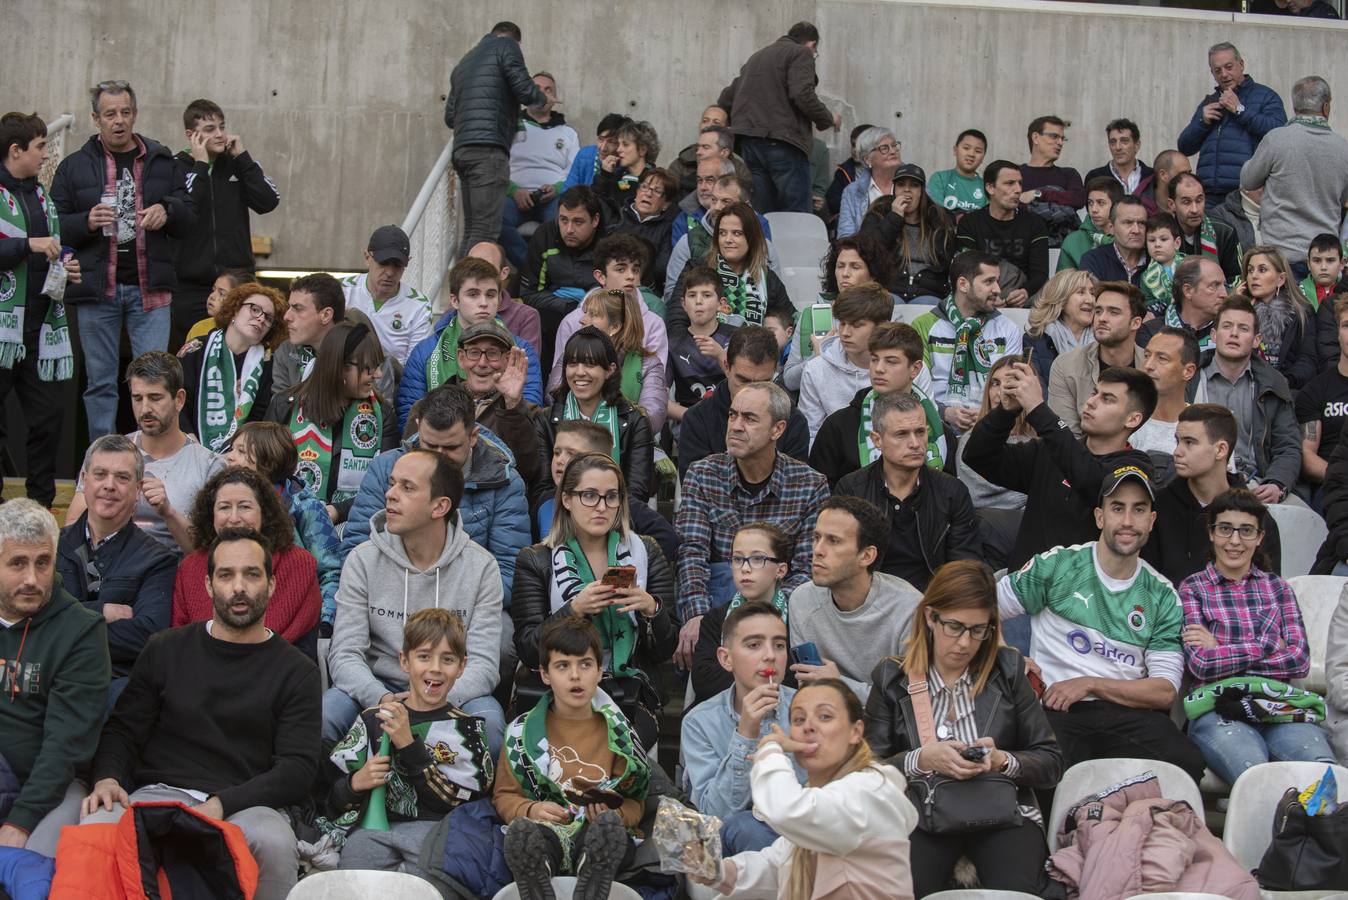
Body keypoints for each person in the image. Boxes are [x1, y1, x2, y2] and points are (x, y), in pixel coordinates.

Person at [80, 527, 320, 900]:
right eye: (226, 575)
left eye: (251, 574)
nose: (238, 586)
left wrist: (222, 804)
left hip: (247, 803)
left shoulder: (297, 670)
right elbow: (123, 730)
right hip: (159, 794)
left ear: (272, 585)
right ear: (208, 585)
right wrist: (108, 778)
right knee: (100, 821)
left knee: (272, 840)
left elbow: (297, 769)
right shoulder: (166, 649)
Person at [866, 560, 1063, 898]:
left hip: (1002, 810)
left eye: (977, 629)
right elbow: (867, 771)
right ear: (930, 617)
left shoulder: (1008, 667)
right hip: (921, 810)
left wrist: (1002, 761)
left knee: (1020, 892)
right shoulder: (893, 677)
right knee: (901, 890)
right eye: (954, 626)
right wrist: (922, 760)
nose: (964, 642)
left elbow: (1050, 762)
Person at [996, 467, 1207, 782]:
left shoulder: (1162, 594)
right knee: (1040, 764)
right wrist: (1007, 657)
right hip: (1056, 709)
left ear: (1151, 521)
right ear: (1099, 517)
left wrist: (1091, 684)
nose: (1127, 521)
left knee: (1185, 762)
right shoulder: (1058, 565)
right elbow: (980, 610)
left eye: (1138, 510)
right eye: (1117, 508)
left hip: (1127, 712)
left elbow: (1164, 691)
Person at [326, 448, 506, 755]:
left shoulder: (481, 567)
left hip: (448, 687)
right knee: (327, 714)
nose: (390, 494)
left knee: (488, 723)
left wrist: (431, 704)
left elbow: (484, 663)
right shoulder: (363, 560)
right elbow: (345, 653)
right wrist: (382, 698)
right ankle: (333, 800)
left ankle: (467, 804)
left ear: (440, 506)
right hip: (379, 684)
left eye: (407, 487)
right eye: (392, 483)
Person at [52, 80, 194, 439]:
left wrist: (168, 210)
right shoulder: (73, 166)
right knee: (100, 382)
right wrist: (84, 221)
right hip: (98, 290)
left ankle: (152, 458)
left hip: (151, 291)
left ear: (135, 114)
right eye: (110, 114)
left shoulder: (162, 158)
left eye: (125, 112)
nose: (119, 121)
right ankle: (102, 461)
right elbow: (54, 223)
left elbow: (189, 215)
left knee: (154, 383)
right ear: (95, 118)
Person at [510, 451, 676, 749]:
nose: (601, 506)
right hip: (557, 692)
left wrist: (651, 609)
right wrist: (574, 610)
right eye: (589, 495)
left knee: (614, 744)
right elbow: (527, 648)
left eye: (611, 496)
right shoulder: (536, 559)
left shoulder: (646, 552)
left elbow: (666, 648)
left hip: (629, 691)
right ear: (567, 499)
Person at [693, 679, 918, 900]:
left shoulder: (872, 790)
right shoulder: (819, 798)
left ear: (856, 732)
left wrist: (770, 749)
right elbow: (778, 864)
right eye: (799, 719)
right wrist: (717, 870)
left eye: (825, 716)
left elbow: (787, 809)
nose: (809, 726)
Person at [1181, 489, 1334, 785]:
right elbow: (1200, 664)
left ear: (1260, 537)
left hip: (1279, 706)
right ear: (1211, 533)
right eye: (1225, 529)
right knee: (1256, 777)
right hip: (1218, 709)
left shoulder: (1278, 588)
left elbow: (1299, 660)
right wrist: (1266, 644)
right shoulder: (1193, 588)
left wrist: (1221, 648)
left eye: (1246, 531)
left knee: (1323, 773)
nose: (1235, 541)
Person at [494, 615, 652, 900]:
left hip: (597, 832)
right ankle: (538, 875)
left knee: (608, 835)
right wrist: (530, 809)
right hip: (548, 827)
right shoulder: (520, 732)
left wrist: (614, 814)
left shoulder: (619, 733)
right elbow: (504, 796)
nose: (575, 675)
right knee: (528, 837)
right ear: (545, 674)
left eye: (585, 664)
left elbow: (635, 801)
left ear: (600, 671)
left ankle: (591, 873)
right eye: (563, 666)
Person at [330, 608, 494, 879]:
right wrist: (355, 783)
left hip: (436, 832)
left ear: (462, 666)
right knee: (355, 869)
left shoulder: (468, 731)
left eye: (448, 659)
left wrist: (408, 745)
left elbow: (462, 803)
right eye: (424, 657)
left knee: (434, 879)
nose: (435, 668)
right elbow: (333, 799)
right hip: (373, 832)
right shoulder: (372, 719)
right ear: (404, 661)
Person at [677, 382, 829, 666]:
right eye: (732, 415)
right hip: (716, 608)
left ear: (777, 430)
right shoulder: (703, 474)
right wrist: (697, 615)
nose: (735, 426)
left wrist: (759, 619)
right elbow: (691, 552)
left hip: (782, 613)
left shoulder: (810, 484)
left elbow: (807, 569)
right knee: (722, 573)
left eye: (749, 418)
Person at [343, 382, 530, 610]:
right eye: (430, 445)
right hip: (389, 600)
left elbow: (508, 574)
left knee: (503, 641)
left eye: (451, 448)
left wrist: (439, 603)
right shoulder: (385, 469)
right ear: (419, 428)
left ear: (473, 436)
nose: (440, 457)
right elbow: (356, 548)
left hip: (468, 606)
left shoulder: (505, 481)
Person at [966, 361, 1157, 570]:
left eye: (1107, 399)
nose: (1091, 402)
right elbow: (978, 456)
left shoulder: (1135, 467)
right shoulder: (1049, 451)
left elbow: (1092, 481)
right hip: (1027, 591)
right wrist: (1005, 412)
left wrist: (1038, 409)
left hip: (1083, 596)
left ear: (1132, 419)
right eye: (1094, 393)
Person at [0, 500, 109, 857]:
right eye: (17, 563)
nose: (32, 579)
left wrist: (20, 822)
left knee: (34, 863)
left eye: (42, 563)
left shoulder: (80, 630)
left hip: (50, 787)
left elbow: (66, 743)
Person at [64, 351, 225, 553]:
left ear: (179, 399)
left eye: (155, 397)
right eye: (137, 398)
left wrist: (168, 513)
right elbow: (71, 526)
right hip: (107, 573)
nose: (145, 408)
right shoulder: (106, 453)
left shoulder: (209, 465)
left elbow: (211, 555)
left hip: (174, 577)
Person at [0, 112, 79, 510]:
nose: (46, 154)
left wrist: (67, 263)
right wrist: (28, 245)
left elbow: (52, 247)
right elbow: (25, 246)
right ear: (16, 151)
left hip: (40, 326)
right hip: (1, 331)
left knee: (48, 418)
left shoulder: (41, 195)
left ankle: (41, 504)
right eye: (41, 146)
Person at [682, 599, 802, 854]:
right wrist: (746, 733)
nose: (770, 654)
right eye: (754, 644)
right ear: (726, 659)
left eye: (779, 645)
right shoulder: (699, 722)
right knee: (746, 827)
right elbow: (716, 817)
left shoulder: (808, 707)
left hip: (806, 833)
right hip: (740, 850)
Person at [56, 435, 175, 686]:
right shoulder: (50, 547)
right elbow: (28, 616)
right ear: (84, 481)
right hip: (49, 677)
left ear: (138, 489)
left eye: (122, 477)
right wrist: (102, 611)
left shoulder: (158, 560)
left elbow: (147, 636)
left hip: (115, 685)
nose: (109, 485)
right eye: (100, 474)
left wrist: (58, 629)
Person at [835, 392, 979, 589]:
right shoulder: (852, 489)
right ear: (877, 440)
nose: (915, 443)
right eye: (901, 434)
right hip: (869, 601)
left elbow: (964, 567)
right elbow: (842, 561)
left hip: (933, 602)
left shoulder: (952, 492)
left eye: (920, 432)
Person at [172, 466, 319, 655]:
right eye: (224, 507)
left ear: (264, 512)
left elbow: (301, 653)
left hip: (275, 676)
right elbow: (179, 643)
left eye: (244, 506)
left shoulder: (300, 565)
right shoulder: (190, 568)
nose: (234, 518)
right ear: (212, 515)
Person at [787, 496, 920, 703]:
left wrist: (840, 684)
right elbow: (808, 688)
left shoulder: (908, 609)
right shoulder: (802, 600)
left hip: (889, 729)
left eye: (833, 541)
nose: (818, 550)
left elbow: (911, 702)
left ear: (866, 556)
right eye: (816, 537)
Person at [170, 98, 279, 349]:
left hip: (238, 283)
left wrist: (243, 158)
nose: (220, 134)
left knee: (240, 354)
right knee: (190, 356)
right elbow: (181, 210)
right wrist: (199, 165)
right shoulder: (175, 167)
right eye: (210, 129)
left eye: (222, 126)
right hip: (189, 287)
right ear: (191, 134)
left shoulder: (237, 164)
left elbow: (268, 201)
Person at [266, 322, 400, 522]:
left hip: (353, 523)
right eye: (368, 368)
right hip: (285, 519)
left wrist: (338, 511)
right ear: (340, 367)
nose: (378, 375)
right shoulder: (284, 407)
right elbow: (264, 472)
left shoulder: (382, 415)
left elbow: (383, 484)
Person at [398, 256, 544, 429]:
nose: (483, 303)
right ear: (454, 300)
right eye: (473, 294)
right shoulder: (425, 352)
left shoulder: (521, 351)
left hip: (503, 448)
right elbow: (409, 419)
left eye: (490, 295)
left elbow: (530, 419)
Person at [222, 421, 343, 628]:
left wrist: (324, 623)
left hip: (298, 617)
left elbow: (331, 572)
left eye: (241, 451)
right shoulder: (223, 504)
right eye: (232, 449)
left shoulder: (305, 507)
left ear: (268, 461)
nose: (229, 456)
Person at [1145, 404, 1281, 585]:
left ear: (1221, 449)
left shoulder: (1256, 518)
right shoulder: (1158, 507)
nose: (1177, 452)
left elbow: (1269, 594)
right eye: (1178, 442)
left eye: (1189, 442)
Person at [444, 21, 548, 256]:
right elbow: (524, 89)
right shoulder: (507, 47)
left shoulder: (464, 63)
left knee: (472, 230)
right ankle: (470, 290)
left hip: (463, 151)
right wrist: (542, 99)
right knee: (485, 233)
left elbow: (451, 117)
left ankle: (461, 289)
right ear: (516, 40)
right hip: (488, 150)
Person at [716, 21, 840, 214]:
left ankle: (765, 245)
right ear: (812, 44)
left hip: (750, 145)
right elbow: (802, 94)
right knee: (797, 213)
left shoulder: (757, 58)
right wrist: (828, 118)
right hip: (783, 143)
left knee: (763, 213)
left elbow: (725, 99)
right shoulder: (801, 53)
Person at [810, 322, 946, 489]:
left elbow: (949, 492)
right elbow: (819, 492)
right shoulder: (838, 426)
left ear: (915, 369)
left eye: (891, 361)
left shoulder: (938, 430)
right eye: (874, 360)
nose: (879, 369)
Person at [1194, 296, 1301, 502]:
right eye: (1227, 326)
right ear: (1214, 335)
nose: (1234, 333)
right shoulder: (1190, 379)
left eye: (1243, 329)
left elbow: (1287, 446)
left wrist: (1276, 483)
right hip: (1199, 482)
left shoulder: (1274, 383)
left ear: (1256, 340)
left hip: (1255, 484)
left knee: (1306, 521)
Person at [1239, 76, 1348, 271]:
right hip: (1323, 259)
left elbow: (1248, 180)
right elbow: (1344, 199)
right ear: (1326, 107)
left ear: (1295, 106)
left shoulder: (1276, 139)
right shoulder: (1343, 148)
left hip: (1279, 257)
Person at [676, 325, 811, 479]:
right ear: (726, 367)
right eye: (743, 380)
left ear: (775, 372)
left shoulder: (793, 421)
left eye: (763, 382)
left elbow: (796, 489)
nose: (751, 391)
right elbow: (696, 490)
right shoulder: (697, 420)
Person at [539, 327, 655, 504]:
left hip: (615, 518)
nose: (579, 372)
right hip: (558, 519)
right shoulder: (547, 420)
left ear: (610, 370)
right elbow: (542, 490)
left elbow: (636, 492)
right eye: (572, 364)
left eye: (590, 364)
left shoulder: (634, 423)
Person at [531, 418, 677, 557]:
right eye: (557, 452)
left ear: (597, 460)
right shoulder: (544, 502)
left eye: (571, 453)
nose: (560, 460)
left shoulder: (621, 504)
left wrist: (628, 566)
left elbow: (667, 538)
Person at [549, 232, 671, 393]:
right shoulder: (573, 321)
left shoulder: (654, 324)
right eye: (621, 269)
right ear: (600, 276)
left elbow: (654, 387)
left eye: (635, 270)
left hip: (633, 412)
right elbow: (559, 382)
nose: (630, 276)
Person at [913, 250, 1023, 427]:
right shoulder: (923, 326)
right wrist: (945, 413)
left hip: (994, 425)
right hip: (936, 423)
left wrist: (987, 415)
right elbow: (915, 386)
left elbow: (1010, 386)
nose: (998, 289)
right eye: (989, 281)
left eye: (997, 280)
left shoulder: (1007, 328)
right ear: (963, 284)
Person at [689, 522, 794, 704]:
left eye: (757, 559)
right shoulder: (715, 619)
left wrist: (741, 673)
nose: (745, 568)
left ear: (781, 570)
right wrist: (763, 677)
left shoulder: (797, 619)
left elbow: (795, 679)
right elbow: (705, 681)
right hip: (722, 715)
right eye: (738, 559)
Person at [178, 281, 285, 451]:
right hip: (187, 448)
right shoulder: (196, 349)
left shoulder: (267, 367)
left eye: (268, 317)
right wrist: (192, 446)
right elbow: (176, 402)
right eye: (255, 309)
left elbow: (261, 421)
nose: (261, 318)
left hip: (239, 456)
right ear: (235, 309)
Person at [1177, 41, 1287, 208]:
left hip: (1247, 193)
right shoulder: (1210, 101)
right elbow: (1184, 146)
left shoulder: (1266, 96)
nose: (1224, 74)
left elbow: (1279, 134)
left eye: (1229, 67)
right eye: (1217, 70)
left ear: (1241, 64)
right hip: (1209, 195)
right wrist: (1202, 122)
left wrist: (1240, 110)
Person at [669, 200, 793, 346]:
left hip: (753, 360)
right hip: (699, 357)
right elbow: (676, 322)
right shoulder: (695, 269)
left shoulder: (767, 279)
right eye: (722, 233)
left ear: (752, 238)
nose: (728, 240)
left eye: (737, 233)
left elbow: (790, 321)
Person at [782, 234, 895, 391]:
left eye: (855, 267)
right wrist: (817, 358)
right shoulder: (814, 315)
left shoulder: (885, 316)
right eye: (840, 266)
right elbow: (789, 381)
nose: (845, 274)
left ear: (873, 274)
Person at [499, 72, 579, 270]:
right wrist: (513, 191)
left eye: (548, 90)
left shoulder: (568, 133)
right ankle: (533, 269)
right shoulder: (509, 125)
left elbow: (574, 171)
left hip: (553, 197)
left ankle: (548, 272)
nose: (541, 94)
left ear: (555, 99)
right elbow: (496, 163)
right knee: (495, 221)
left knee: (563, 226)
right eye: (536, 89)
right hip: (514, 194)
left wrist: (557, 188)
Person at [1048, 280, 1148, 437]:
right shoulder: (1066, 365)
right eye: (1099, 311)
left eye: (1114, 312)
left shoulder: (1152, 368)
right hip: (1082, 457)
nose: (1102, 318)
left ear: (1135, 323)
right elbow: (1064, 437)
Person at [799, 284, 895, 442]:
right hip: (834, 460)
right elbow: (810, 434)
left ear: (881, 326)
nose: (845, 333)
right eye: (842, 323)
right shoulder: (816, 369)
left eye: (856, 325)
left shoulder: (905, 366)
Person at [520, 185, 604, 367]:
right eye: (563, 220)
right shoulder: (545, 234)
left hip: (599, 313)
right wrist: (569, 307)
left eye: (578, 222)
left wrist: (583, 309)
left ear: (595, 220)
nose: (569, 229)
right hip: (554, 310)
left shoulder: (608, 242)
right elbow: (529, 293)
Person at [857, 166, 959, 305]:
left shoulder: (939, 220)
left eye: (914, 185)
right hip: (889, 289)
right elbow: (868, 250)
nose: (907, 190)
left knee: (926, 304)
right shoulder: (879, 213)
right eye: (901, 185)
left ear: (922, 192)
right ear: (894, 189)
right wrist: (894, 218)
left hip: (929, 292)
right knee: (891, 303)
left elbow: (945, 263)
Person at [955, 161, 1050, 305]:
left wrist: (1025, 292)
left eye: (1020, 183)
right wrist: (989, 294)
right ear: (990, 188)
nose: (1018, 189)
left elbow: (1040, 273)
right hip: (981, 293)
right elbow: (966, 268)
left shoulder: (1035, 223)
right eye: (1010, 183)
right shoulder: (970, 222)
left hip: (1024, 294)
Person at [338, 224, 432, 366]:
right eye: (383, 263)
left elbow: (415, 366)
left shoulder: (419, 305)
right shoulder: (342, 289)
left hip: (394, 383)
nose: (390, 273)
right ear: (367, 257)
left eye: (397, 265)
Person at [576, 288, 667, 433]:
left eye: (592, 315)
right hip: (575, 439)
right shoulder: (572, 354)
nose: (582, 320)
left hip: (630, 446)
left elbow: (653, 417)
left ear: (615, 327)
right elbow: (554, 397)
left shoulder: (649, 364)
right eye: (585, 313)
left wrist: (604, 429)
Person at [1236, 245, 1316, 388]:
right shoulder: (1240, 311)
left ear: (1281, 279)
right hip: (1244, 386)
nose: (1254, 276)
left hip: (1289, 389)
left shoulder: (1302, 312)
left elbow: (1307, 360)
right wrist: (1237, 307)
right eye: (1250, 270)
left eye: (1262, 270)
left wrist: (1285, 382)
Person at [666, 265, 735, 425]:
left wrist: (720, 355)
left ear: (721, 303)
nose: (698, 301)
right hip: (689, 422)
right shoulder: (672, 344)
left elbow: (749, 386)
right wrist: (692, 415)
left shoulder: (736, 337)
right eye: (692, 295)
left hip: (732, 419)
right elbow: (658, 397)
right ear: (683, 304)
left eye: (706, 295)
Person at [1299, 296, 1348, 499]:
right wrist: (1340, 479)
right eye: (1347, 325)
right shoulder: (1315, 390)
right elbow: (1307, 457)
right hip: (1335, 488)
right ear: (1337, 332)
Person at [1131, 326, 1200, 456]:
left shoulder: (1205, 428)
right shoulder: (1124, 421)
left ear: (1188, 371)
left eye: (1162, 358)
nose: (1148, 365)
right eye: (1146, 355)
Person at [1025, 268, 1098, 390]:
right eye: (1081, 292)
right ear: (1061, 299)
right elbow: (1037, 389)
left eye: (1092, 293)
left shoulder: (1104, 337)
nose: (1090, 300)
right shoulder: (1035, 339)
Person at [1138, 256, 1228, 354]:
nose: (1224, 294)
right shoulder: (1151, 332)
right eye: (1214, 286)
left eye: (1225, 285)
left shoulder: (1229, 334)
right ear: (1188, 291)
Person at [1020, 115, 1086, 247]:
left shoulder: (1068, 174)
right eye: (1054, 136)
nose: (1060, 143)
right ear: (1036, 138)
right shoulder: (1015, 174)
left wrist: (1037, 194)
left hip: (1063, 250)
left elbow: (1078, 199)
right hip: (1025, 248)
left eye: (1062, 138)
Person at [1169, 172, 1243, 284]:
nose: (1195, 209)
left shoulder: (1225, 232)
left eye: (1199, 200)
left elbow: (1237, 279)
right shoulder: (1163, 234)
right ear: (1172, 204)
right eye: (1186, 202)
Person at [615, 168, 679, 291]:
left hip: (644, 289)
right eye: (644, 187)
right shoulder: (618, 216)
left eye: (657, 191)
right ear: (637, 191)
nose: (648, 194)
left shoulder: (667, 228)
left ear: (666, 203)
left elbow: (661, 268)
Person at [665, 110, 751, 199]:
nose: (698, 152)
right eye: (698, 147)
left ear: (724, 153)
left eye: (705, 147)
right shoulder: (681, 162)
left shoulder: (740, 173)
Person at [836, 126, 903, 238]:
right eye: (884, 148)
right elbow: (845, 237)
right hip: (866, 252)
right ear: (867, 159)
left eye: (894, 145)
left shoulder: (915, 184)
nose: (892, 151)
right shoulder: (852, 192)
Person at [591, 119, 661, 221]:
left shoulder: (655, 181)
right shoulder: (615, 175)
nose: (618, 149)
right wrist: (604, 175)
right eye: (619, 144)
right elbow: (594, 204)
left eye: (625, 145)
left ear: (642, 150)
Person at [1079, 196, 1150, 286]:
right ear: (1111, 227)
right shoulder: (1094, 260)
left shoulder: (1155, 261)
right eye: (1128, 222)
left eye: (1141, 223)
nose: (1136, 230)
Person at [1057, 177, 1121, 272]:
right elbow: (1063, 283)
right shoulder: (1073, 241)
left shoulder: (1127, 236)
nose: (1094, 209)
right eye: (1090, 203)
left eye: (1101, 203)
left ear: (1116, 205)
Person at [1085, 118, 1154, 197]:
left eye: (1124, 141)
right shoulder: (1095, 177)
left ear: (1137, 145)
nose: (1117, 147)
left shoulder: (1152, 177)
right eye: (1113, 142)